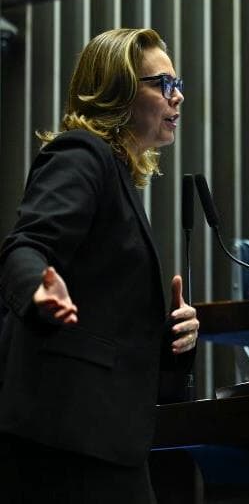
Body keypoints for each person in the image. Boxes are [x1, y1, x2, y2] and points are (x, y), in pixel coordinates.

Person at [0, 28, 199, 503]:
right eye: (163, 84)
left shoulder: (119, 175)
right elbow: (25, 246)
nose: (179, 96)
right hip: (64, 436)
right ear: (118, 92)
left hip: (105, 436)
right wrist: (37, 293)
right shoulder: (81, 154)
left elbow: (115, 315)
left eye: (178, 82)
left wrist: (178, 335)